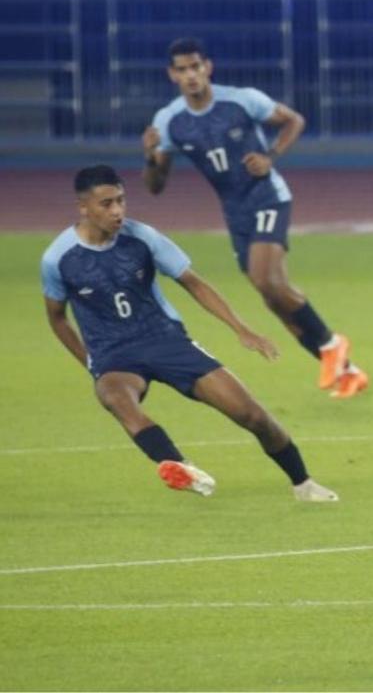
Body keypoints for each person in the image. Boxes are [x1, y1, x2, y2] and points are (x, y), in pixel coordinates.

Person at [41, 165, 339, 503]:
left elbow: (193, 283)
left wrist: (241, 329)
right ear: (83, 207)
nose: (118, 211)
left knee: (252, 415)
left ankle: (303, 484)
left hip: (166, 341)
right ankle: (181, 467)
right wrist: (92, 363)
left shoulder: (143, 238)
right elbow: (57, 318)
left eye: (121, 201)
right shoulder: (58, 258)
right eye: (106, 204)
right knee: (117, 400)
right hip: (114, 354)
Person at [141, 37, 368, 399]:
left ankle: (331, 344)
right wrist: (151, 156)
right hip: (235, 213)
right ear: (173, 75)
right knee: (274, 299)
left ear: (207, 68)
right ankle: (347, 371)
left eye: (196, 67)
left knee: (268, 280)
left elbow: (294, 120)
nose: (191, 75)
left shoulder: (241, 100)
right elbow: (155, 185)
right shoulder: (169, 121)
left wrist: (270, 155)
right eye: (182, 70)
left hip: (267, 197)